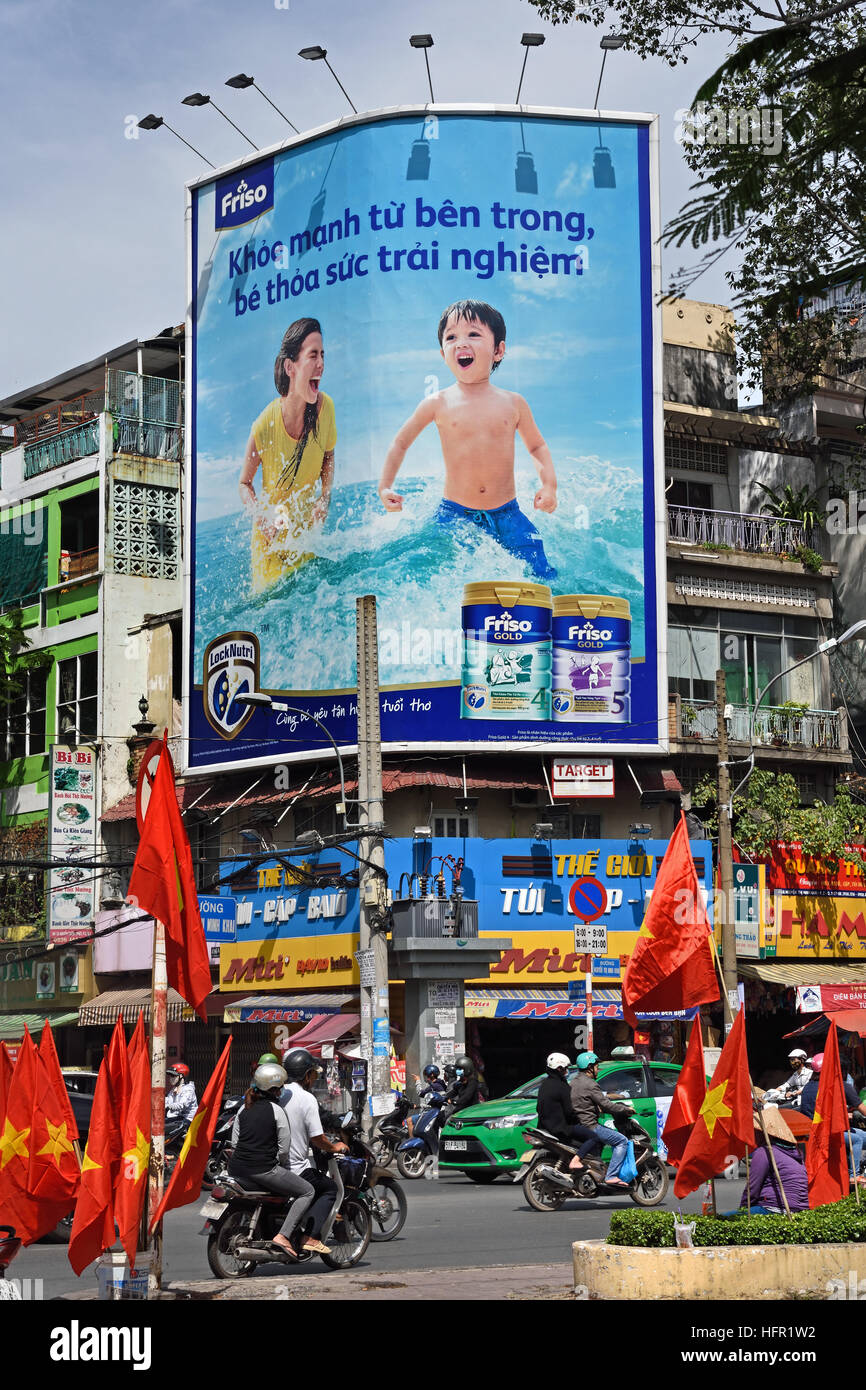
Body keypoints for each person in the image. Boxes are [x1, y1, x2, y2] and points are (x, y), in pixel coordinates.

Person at [377, 299, 558, 581]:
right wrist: (385, 486)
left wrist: (549, 485)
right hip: (454, 514)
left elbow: (536, 446)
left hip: (508, 514)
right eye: (451, 337)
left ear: (498, 350)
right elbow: (401, 442)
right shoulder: (437, 403)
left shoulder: (513, 403)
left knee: (539, 569)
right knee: (434, 570)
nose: (461, 343)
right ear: (443, 354)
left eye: (473, 334)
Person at [239, 317, 336, 593]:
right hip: (270, 549)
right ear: (290, 367)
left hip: (303, 542)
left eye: (322, 355)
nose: (321, 364)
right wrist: (262, 518)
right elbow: (244, 483)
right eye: (313, 355)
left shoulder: (326, 408)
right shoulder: (264, 425)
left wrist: (324, 498)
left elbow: (328, 456)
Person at [227, 1062, 314, 1260]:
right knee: (307, 1191)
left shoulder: (243, 1109)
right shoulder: (276, 1111)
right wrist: (275, 1161)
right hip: (263, 1170)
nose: (282, 1090)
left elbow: (234, 1143)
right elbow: (284, 1150)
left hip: (236, 1169)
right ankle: (283, 1236)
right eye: (280, 1087)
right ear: (274, 1089)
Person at [279, 1047, 350, 1254]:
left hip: (272, 1165)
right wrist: (333, 1146)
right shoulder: (306, 1098)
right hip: (295, 1168)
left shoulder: (278, 1094)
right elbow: (317, 1138)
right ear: (307, 1075)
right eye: (313, 1074)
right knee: (329, 1188)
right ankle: (310, 1236)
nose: (314, 1078)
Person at [799, 1052, 866, 1186]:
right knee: (858, 1139)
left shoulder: (807, 1087)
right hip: (826, 1132)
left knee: (862, 1136)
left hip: (814, 1129)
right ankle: (854, 1175)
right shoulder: (836, 1086)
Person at [569, 1051, 631, 1189]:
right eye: (597, 1066)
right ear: (590, 1067)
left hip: (578, 1124)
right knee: (622, 1141)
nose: (598, 1069)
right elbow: (607, 1104)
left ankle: (596, 1171)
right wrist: (626, 1110)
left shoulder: (573, 1082)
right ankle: (611, 1176)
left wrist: (597, 1108)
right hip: (590, 1126)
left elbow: (584, 1102)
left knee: (602, 1142)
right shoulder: (590, 1084)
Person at [536, 1052, 599, 1172]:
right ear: (559, 1068)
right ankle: (576, 1161)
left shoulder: (544, 1084)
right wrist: (578, 1121)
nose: (567, 1071)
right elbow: (569, 1112)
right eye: (566, 1068)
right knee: (594, 1137)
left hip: (544, 1127)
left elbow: (538, 1108)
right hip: (561, 1128)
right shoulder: (562, 1086)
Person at [165, 1063, 198, 1128]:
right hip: (177, 1118)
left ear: (181, 1076)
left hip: (188, 1120)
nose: (170, 1079)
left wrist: (167, 1106)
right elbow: (167, 1101)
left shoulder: (188, 1089)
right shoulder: (173, 1089)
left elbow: (182, 1105)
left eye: (173, 1076)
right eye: (170, 1076)